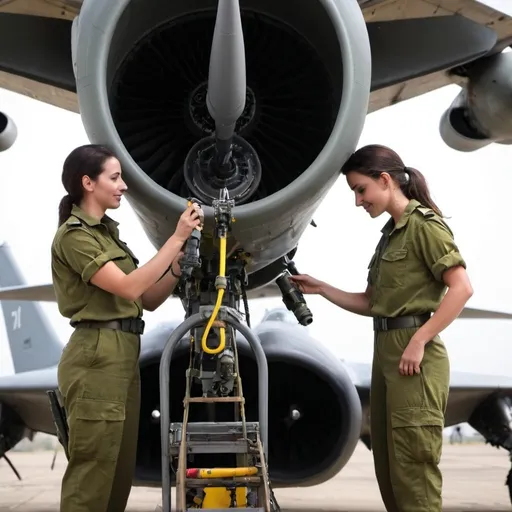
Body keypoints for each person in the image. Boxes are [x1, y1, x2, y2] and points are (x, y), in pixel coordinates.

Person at [290, 144, 473, 512]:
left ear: (385, 180)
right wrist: (322, 288)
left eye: (361, 190)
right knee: (389, 471)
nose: (358, 201)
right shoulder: (389, 235)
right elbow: (373, 303)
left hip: (413, 357)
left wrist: (420, 339)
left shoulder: (423, 227)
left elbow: (462, 287)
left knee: (413, 472)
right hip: (387, 351)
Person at [51, 144, 203, 512]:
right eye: (115, 178)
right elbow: (129, 286)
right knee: (92, 473)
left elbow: (146, 298)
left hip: (121, 353)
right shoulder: (75, 236)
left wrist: (176, 269)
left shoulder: (106, 234)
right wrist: (177, 237)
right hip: (96, 355)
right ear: (88, 183)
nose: (123, 187)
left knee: (117, 474)